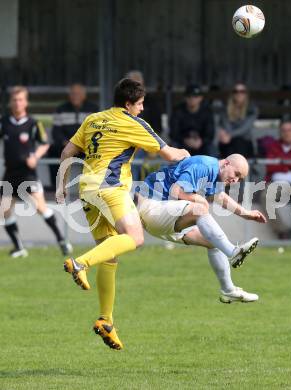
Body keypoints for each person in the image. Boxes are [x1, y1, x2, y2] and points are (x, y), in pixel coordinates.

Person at [56, 78, 189, 350]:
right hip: (110, 188)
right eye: (139, 104)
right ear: (128, 104)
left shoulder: (93, 119)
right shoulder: (133, 122)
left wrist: (61, 187)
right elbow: (169, 154)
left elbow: (68, 151)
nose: (141, 109)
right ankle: (80, 263)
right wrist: (187, 154)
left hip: (86, 190)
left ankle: (106, 320)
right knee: (135, 237)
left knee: (110, 253)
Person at [135, 154, 266, 301]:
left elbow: (220, 197)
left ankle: (228, 290)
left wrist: (246, 214)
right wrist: (199, 199)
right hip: (153, 206)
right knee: (199, 208)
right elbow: (176, 191)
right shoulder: (204, 164)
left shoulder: (215, 174)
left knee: (214, 242)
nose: (235, 181)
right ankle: (233, 252)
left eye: (239, 179)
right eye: (236, 174)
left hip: (162, 213)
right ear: (226, 163)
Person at [0, 86, 72, 258]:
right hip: (10, 173)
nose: (17, 103)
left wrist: (35, 156)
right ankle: (19, 247)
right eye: (15, 100)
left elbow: (45, 143)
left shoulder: (33, 123)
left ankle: (62, 241)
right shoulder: (4, 122)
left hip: (28, 174)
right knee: (4, 210)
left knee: (40, 208)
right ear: (11, 103)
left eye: (20, 100)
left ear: (26, 102)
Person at [48, 84, 99, 188]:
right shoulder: (61, 109)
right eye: (73, 94)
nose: (75, 96)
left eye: (78, 94)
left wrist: (83, 143)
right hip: (66, 145)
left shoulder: (94, 109)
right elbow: (56, 132)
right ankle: (56, 185)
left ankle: (92, 186)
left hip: (86, 145)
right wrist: (66, 142)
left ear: (84, 96)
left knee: (98, 151)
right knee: (52, 150)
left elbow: (96, 131)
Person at [260, 120, 291, 239]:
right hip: (277, 184)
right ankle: (282, 231)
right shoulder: (273, 146)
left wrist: (282, 164)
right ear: (280, 132)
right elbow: (270, 166)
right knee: (265, 195)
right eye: (284, 130)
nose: (287, 133)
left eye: (289, 130)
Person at [169, 84, 216, 156]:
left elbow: (210, 133)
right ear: (185, 98)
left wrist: (201, 141)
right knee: (174, 146)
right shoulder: (178, 111)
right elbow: (173, 133)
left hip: (201, 144)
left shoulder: (207, 111)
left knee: (211, 148)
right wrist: (185, 140)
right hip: (182, 143)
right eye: (189, 96)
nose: (192, 99)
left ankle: (212, 167)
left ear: (200, 98)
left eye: (195, 96)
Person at [218, 83, 258, 158]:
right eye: (236, 91)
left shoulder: (252, 109)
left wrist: (230, 135)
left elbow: (244, 128)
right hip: (228, 142)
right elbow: (225, 124)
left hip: (244, 142)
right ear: (232, 94)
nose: (239, 93)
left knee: (238, 142)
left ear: (246, 94)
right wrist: (227, 136)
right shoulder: (225, 108)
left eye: (242, 91)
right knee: (225, 144)